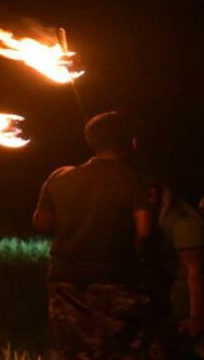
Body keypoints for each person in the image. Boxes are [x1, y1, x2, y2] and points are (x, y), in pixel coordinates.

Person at [33, 111, 154, 359]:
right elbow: (144, 229)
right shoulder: (135, 180)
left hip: (65, 279)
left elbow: (41, 223)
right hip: (116, 278)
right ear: (131, 142)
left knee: (74, 351)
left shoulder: (60, 176)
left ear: (91, 141)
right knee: (121, 350)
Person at [151, 186, 204, 357]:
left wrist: (196, 315)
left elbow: (194, 268)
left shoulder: (182, 222)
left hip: (185, 304)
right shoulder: (162, 218)